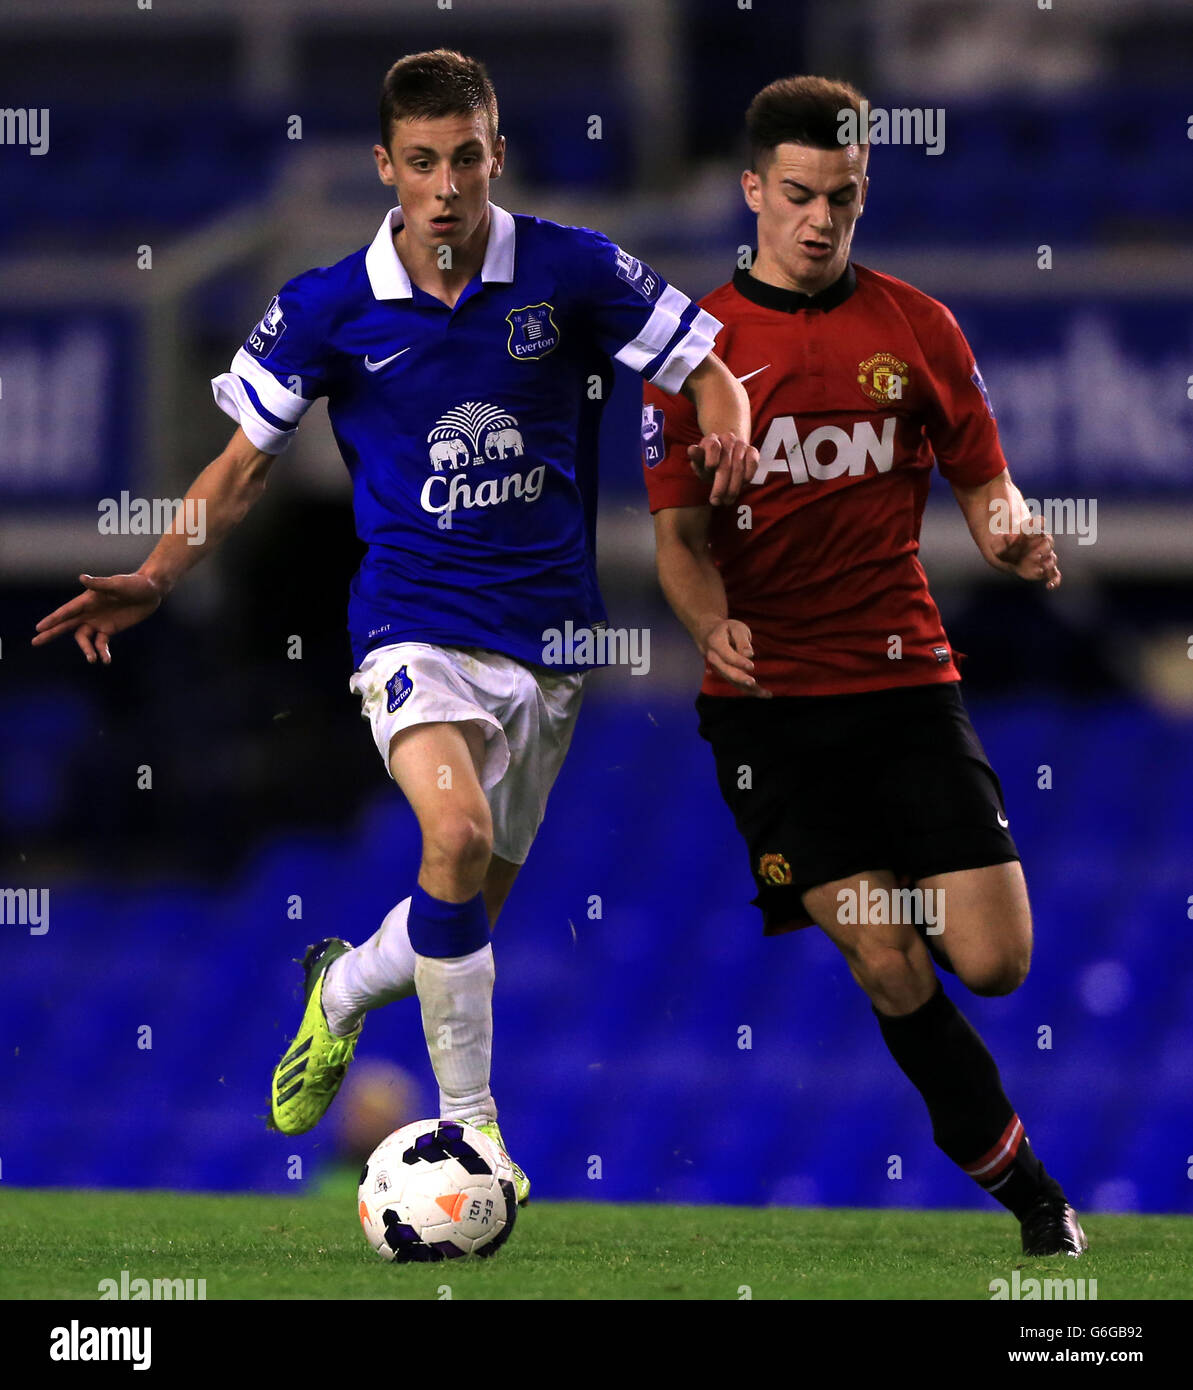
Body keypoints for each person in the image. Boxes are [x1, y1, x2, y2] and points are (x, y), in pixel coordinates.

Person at [33, 48, 758, 1207]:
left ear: (495, 157)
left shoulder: (567, 269)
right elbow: (239, 466)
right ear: (386, 167)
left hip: (552, 646)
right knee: (455, 839)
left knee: (457, 911)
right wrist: (157, 574)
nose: (446, 185)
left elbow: (707, 363)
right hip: (410, 628)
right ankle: (473, 1135)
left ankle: (337, 990)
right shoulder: (331, 303)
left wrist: (726, 424)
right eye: (421, 162)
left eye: (466, 157)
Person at [642, 74, 1085, 1255]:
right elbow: (676, 542)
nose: (820, 218)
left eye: (842, 196)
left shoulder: (918, 327)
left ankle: (911, 895)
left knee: (990, 959)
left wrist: (1006, 528)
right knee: (887, 958)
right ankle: (1033, 1196)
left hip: (903, 684)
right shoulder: (691, 353)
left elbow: (984, 478)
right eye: (796, 195)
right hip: (768, 708)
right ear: (751, 191)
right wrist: (707, 624)